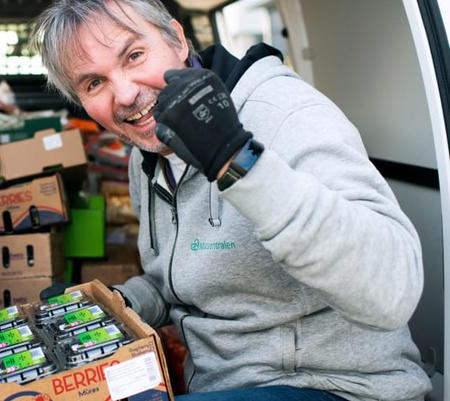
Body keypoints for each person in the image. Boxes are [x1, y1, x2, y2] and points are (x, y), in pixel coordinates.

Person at [31, 1, 431, 400]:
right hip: (221, 384)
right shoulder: (147, 157)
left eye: (134, 55)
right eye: (94, 83)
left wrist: (236, 160)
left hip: (333, 384)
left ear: (178, 39)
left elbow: (393, 291)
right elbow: (182, 283)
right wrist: (114, 305)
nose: (125, 94)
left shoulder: (284, 112)